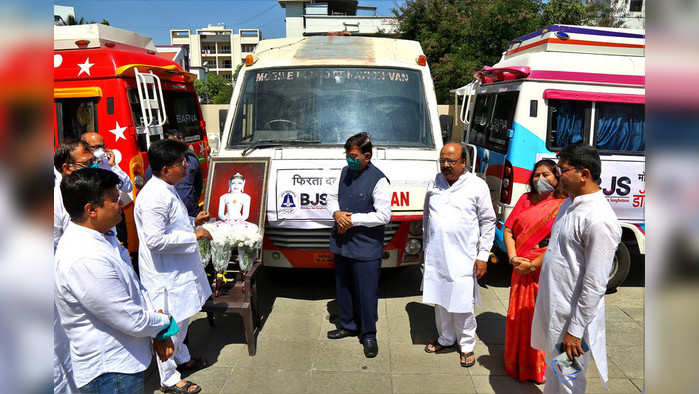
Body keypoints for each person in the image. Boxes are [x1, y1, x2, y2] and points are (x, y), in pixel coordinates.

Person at [54, 168, 176, 393]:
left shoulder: (104, 235)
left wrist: (156, 328)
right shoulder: (83, 256)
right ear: (91, 210)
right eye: (114, 200)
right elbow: (127, 317)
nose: (121, 204)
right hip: (111, 372)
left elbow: (133, 287)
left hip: (125, 360)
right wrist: (164, 325)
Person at [531, 145, 622, 393]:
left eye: (563, 169)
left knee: (569, 381)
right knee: (554, 372)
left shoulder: (599, 219)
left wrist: (575, 330)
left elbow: (595, 284)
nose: (558, 174)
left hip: (574, 320)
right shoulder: (568, 205)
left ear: (584, 174)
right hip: (555, 310)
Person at [135, 139, 213, 393]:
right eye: (182, 163)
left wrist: (193, 221)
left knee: (184, 320)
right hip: (166, 276)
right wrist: (195, 235)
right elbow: (156, 240)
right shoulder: (155, 196)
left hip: (179, 270)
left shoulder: (167, 188)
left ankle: (182, 357)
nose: (187, 167)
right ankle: (168, 378)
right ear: (166, 168)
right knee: (170, 326)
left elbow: (172, 225)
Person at [422, 142, 495, 368]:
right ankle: (446, 337)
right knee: (440, 299)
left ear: (464, 162)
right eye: (442, 160)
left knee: (462, 302)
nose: (445, 165)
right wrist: (426, 248)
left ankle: (466, 344)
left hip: (464, 256)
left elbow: (488, 221)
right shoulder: (434, 182)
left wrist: (483, 255)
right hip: (436, 254)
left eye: (451, 161)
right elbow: (426, 216)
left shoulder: (477, 186)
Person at [326, 132, 391, 358]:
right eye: (347, 154)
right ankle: (347, 325)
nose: (349, 159)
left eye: (353, 155)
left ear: (367, 155)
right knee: (343, 287)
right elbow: (332, 197)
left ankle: (369, 334)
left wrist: (351, 219)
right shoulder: (344, 172)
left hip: (366, 246)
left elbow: (383, 216)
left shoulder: (379, 180)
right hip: (343, 242)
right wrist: (336, 214)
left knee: (366, 292)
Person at [503, 159, 566, 384]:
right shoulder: (525, 199)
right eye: (536, 175)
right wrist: (513, 257)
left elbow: (560, 243)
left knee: (544, 319)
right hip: (520, 267)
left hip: (545, 269)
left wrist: (534, 264)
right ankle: (520, 364)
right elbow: (509, 229)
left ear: (557, 178)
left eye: (546, 175)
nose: (540, 179)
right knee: (519, 317)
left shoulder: (563, 204)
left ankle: (543, 369)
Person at [145, 130, 204, 219]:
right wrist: (193, 233)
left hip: (191, 213)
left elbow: (198, 185)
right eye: (181, 163)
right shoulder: (155, 198)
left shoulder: (192, 160)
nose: (186, 165)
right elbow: (158, 232)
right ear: (165, 170)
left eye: (181, 138)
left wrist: (194, 222)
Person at [53, 140, 97, 250]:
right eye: (87, 163)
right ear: (67, 168)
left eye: (93, 161)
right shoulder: (55, 201)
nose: (93, 167)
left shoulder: (96, 189)